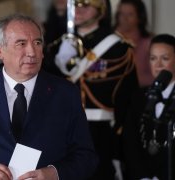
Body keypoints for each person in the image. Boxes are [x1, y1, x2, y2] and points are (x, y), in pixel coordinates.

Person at [0, 14, 98, 180]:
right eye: (21, 44)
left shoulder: (66, 93)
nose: (32, 52)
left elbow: (86, 157)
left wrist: (54, 173)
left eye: (37, 43)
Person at [43, 0, 139, 179]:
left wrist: (120, 145)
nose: (78, 10)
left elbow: (127, 101)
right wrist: (57, 64)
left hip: (100, 134)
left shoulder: (118, 49)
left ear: (101, 10)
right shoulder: (56, 45)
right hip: (61, 130)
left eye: (85, 6)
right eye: (75, 5)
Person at [122, 34, 175, 180]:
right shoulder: (139, 96)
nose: (158, 65)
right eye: (153, 58)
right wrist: (143, 176)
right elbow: (130, 142)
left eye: (165, 58)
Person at [114, 0, 154, 87]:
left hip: (140, 93)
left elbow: (156, 76)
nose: (125, 19)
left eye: (130, 14)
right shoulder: (108, 39)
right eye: (122, 14)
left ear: (139, 17)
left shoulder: (148, 43)